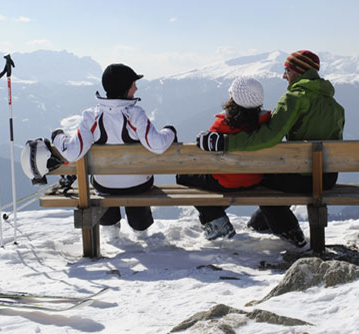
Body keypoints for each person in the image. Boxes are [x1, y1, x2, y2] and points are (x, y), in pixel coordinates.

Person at [196, 50, 345, 248]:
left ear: (299, 72)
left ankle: (288, 229)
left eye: (287, 70)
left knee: (260, 178)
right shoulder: (335, 106)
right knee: (270, 178)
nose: (284, 76)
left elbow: (269, 136)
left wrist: (225, 143)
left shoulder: (294, 98)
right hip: (326, 179)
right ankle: (260, 225)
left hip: (301, 178)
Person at [51, 63, 177, 238]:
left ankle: (111, 229)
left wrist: (58, 136)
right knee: (135, 184)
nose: (136, 87)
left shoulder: (91, 117)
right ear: (125, 87)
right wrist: (170, 131)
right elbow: (158, 145)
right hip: (138, 186)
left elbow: (73, 153)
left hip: (105, 186)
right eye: (133, 84)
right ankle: (141, 229)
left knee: (104, 185)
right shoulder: (135, 114)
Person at [177, 76, 271, 241]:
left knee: (183, 176)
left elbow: (207, 155)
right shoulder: (267, 124)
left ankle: (216, 220)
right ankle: (219, 218)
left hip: (225, 182)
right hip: (256, 179)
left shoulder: (222, 126)